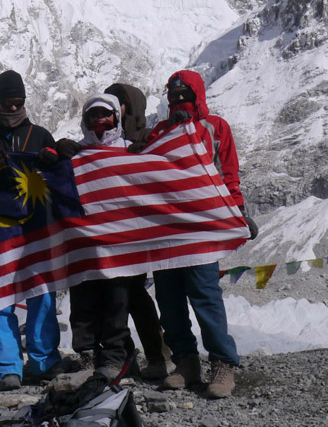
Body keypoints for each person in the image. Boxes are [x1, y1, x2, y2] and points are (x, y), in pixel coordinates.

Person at [146, 70, 251, 399]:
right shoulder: (159, 133)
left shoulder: (216, 128)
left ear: (198, 95)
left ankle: (222, 364)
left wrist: (237, 212)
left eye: (184, 95)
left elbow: (229, 173)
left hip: (202, 227)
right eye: (173, 96)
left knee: (205, 295)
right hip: (167, 229)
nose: (178, 101)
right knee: (169, 299)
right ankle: (186, 362)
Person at [0, 69, 62, 391]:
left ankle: (44, 361)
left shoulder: (41, 136)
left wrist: (55, 160)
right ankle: (7, 367)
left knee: (42, 293)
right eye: (7, 102)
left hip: (37, 227)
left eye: (17, 101)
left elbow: (61, 181)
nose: (12, 108)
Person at [104, 83, 173, 380]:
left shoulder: (148, 138)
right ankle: (137, 355)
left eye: (119, 103)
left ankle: (161, 354)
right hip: (114, 230)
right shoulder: (104, 139)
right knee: (123, 294)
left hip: (145, 229)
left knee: (142, 294)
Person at [67, 93, 134, 379]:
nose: (100, 120)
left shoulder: (131, 150)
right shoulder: (75, 153)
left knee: (118, 300)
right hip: (84, 240)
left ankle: (115, 356)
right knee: (83, 300)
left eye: (105, 115)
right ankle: (86, 355)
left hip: (120, 241)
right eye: (94, 115)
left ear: (116, 118)